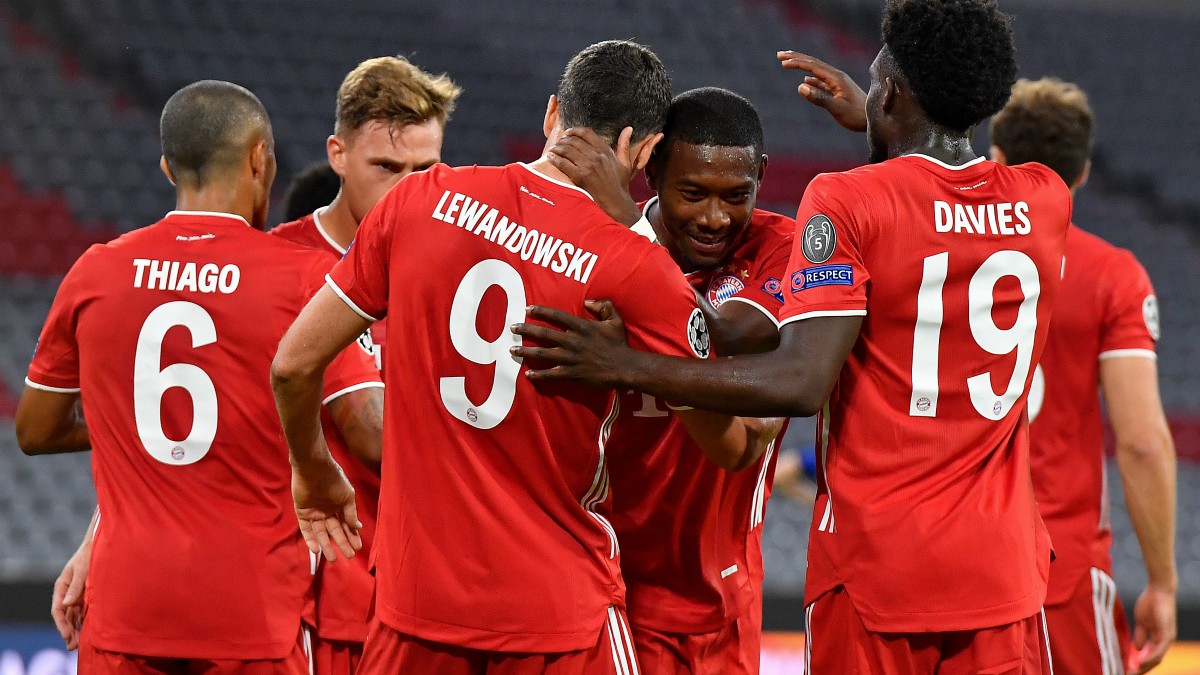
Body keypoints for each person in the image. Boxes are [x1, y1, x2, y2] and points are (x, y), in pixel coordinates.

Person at [511, 1, 1073, 672]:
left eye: (877, 81)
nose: (716, 216)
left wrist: (627, 362)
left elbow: (799, 378)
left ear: (892, 92)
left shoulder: (843, 202)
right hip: (1001, 569)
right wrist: (883, 120)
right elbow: (942, 193)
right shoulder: (1046, 197)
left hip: (876, 567)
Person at [272, 39, 773, 673]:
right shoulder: (636, 267)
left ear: (552, 115)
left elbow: (291, 364)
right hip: (557, 615)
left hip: (413, 612)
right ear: (643, 151)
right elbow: (731, 447)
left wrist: (313, 471)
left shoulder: (417, 201)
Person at [15, 80, 380, 673]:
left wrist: (131, 417)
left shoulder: (96, 271)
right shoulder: (302, 279)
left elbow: (35, 429)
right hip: (252, 618)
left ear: (166, 167)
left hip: (123, 612)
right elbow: (369, 432)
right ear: (260, 158)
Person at [546, 86, 792, 674]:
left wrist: (633, 231)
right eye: (692, 194)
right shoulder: (589, 246)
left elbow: (731, 335)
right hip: (599, 581)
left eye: (737, 196)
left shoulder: (780, 249)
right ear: (652, 171)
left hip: (717, 595)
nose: (714, 218)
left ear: (762, 175)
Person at [268, 55, 461, 675]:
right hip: (330, 594)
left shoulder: (467, 269)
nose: (408, 189)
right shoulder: (279, 264)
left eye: (426, 169)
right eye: (386, 167)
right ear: (338, 154)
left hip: (442, 591)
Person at [990, 77, 1177, 675]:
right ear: (1085, 172)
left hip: (956, 565)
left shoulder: (940, 260)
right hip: (1060, 575)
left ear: (995, 160)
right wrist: (1163, 583)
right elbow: (1143, 443)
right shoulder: (1112, 276)